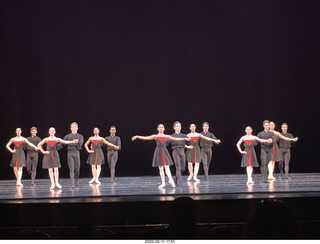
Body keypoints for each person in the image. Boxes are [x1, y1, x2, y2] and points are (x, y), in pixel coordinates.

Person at [132, 124, 189, 188]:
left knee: (167, 167)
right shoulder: (155, 136)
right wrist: (137, 136)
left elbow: (175, 139)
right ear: (158, 129)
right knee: (161, 168)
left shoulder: (166, 136)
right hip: (158, 152)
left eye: (162, 127)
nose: (161, 128)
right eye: (160, 127)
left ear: (164, 129)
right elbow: (146, 138)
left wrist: (184, 138)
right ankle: (163, 183)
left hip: (164, 152)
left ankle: (171, 180)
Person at [168, 121, 193, 188]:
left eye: (179, 126)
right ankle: (180, 183)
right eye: (177, 126)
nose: (178, 127)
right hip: (175, 151)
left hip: (182, 151)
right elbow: (166, 142)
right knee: (178, 167)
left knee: (183, 168)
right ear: (174, 128)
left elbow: (188, 141)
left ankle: (175, 180)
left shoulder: (183, 135)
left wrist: (189, 141)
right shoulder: (172, 136)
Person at [63, 122, 84, 188]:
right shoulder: (68, 136)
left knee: (77, 169)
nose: (74, 128)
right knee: (71, 169)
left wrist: (77, 142)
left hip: (77, 152)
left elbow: (81, 143)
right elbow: (62, 143)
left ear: (77, 128)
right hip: (70, 153)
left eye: (75, 127)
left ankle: (76, 181)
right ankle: (72, 184)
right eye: (73, 127)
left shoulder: (80, 136)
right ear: (71, 128)